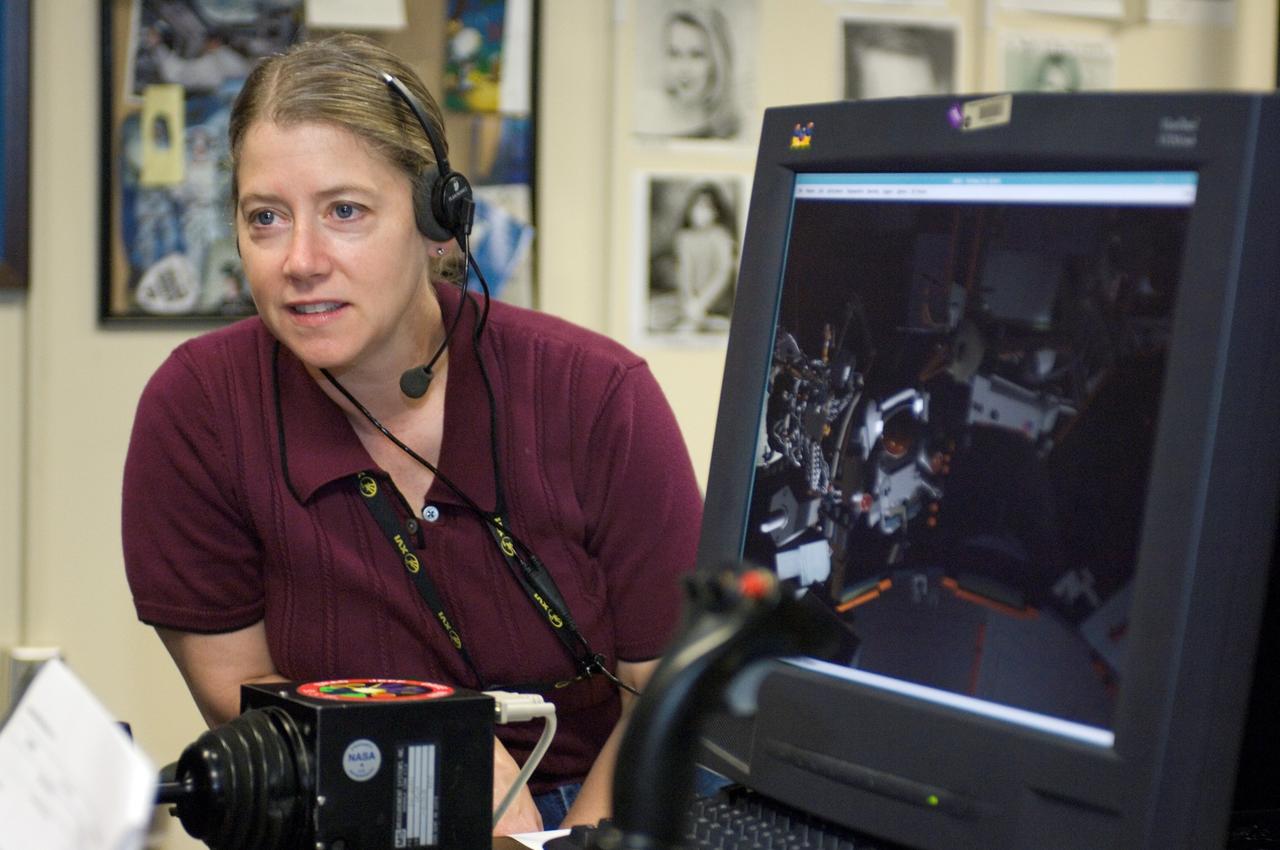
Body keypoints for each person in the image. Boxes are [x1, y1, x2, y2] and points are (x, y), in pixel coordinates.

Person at [121, 33, 703, 835]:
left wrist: (565, 845)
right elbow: (242, 697)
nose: (300, 260)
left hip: (597, 805)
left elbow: (669, 687)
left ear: (439, 221)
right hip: (345, 805)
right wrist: (435, 757)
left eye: (345, 211)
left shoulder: (598, 396)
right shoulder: (198, 412)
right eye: (266, 218)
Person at [656, 6, 739, 139]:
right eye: (674, 53)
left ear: (717, 63)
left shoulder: (734, 132)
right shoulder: (653, 118)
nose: (683, 68)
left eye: (696, 55)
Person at [672, 183, 736, 333]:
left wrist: (702, 303)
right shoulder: (684, 238)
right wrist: (690, 302)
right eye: (697, 206)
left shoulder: (721, 236)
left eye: (707, 207)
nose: (700, 212)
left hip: (717, 305)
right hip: (691, 307)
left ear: (716, 211)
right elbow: (684, 271)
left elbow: (723, 273)